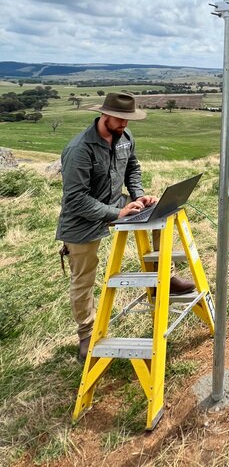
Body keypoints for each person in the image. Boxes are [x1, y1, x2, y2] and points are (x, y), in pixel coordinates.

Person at [56, 91, 194, 361]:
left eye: (128, 120)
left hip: (116, 202)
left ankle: (161, 280)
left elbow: (132, 167)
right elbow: (75, 199)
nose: (125, 126)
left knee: (158, 212)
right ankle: (86, 334)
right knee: (84, 277)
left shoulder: (125, 138)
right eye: (120, 120)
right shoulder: (79, 149)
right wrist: (117, 212)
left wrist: (139, 195)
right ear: (104, 115)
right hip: (81, 218)